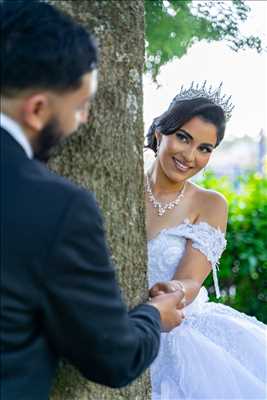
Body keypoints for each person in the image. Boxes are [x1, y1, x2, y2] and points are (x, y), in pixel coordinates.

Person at [0, 1, 185, 399]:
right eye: (81, 106)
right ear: (36, 109)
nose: (82, 120)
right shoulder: (55, 206)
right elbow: (113, 357)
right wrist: (154, 316)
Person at [145, 81, 267, 399]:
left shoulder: (211, 204)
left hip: (182, 333)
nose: (190, 156)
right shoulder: (119, 186)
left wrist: (174, 291)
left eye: (205, 148)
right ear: (160, 133)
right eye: (183, 138)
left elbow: (190, 279)